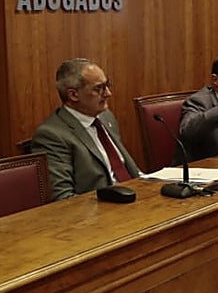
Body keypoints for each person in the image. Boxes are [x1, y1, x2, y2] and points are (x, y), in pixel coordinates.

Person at [31, 58, 141, 200]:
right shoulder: (51, 135)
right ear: (73, 95)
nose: (108, 93)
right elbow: (62, 198)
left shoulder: (106, 117)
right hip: (103, 213)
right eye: (98, 88)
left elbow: (130, 171)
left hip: (136, 197)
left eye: (107, 85)